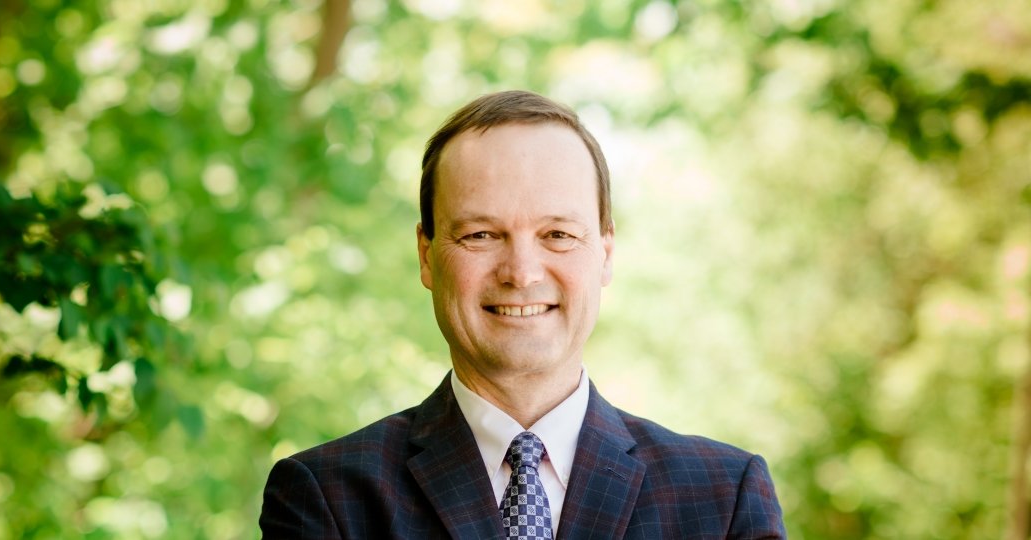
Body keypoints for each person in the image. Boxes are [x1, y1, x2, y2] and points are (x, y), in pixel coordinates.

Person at [260, 90, 786, 539]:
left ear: (604, 252)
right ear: (426, 255)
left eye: (557, 234)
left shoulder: (723, 499)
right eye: (481, 235)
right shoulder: (327, 498)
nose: (521, 271)